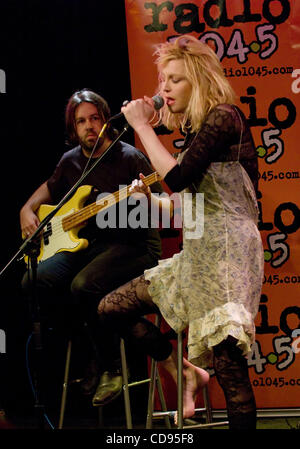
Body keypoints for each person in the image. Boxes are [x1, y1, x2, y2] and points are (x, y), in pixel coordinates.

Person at [97, 35, 264, 429]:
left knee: (230, 367)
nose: (164, 89)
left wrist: (141, 127)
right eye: (163, 80)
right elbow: (189, 202)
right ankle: (184, 371)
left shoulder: (225, 116)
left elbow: (180, 176)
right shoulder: (196, 131)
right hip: (200, 254)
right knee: (110, 308)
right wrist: (149, 199)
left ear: (199, 79)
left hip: (227, 255)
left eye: (174, 80)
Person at [20, 88, 163, 406]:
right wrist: (26, 211)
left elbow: (161, 203)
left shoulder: (129, 157)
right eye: (81, 121)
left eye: (95, 118)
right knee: (34, 280)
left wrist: (141, 200)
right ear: (73, 128)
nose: (89, 126)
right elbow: (48, 188)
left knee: (83, 285)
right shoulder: (71, 162)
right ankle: (90, 350)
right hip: (91, 246)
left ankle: (111, 366)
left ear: (105, 120)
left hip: (134, 244)